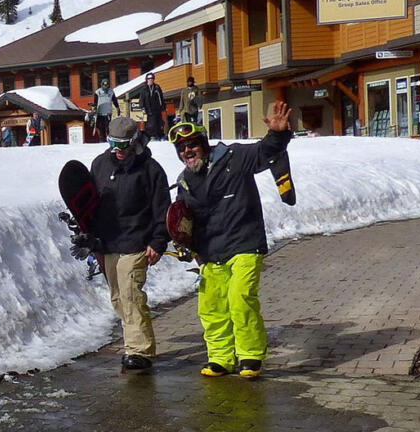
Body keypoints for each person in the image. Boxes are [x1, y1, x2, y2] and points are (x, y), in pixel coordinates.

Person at [170, 100, 293, 380]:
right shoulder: (185, 181)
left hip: (244, 244)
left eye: (191, 144)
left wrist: (278, 134)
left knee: (239, 298)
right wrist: (184, 242)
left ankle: (250, 355)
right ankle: (221, 358)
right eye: (181, 149)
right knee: (211, 306)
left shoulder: (234, 158)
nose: (187, 151)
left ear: (203, 142)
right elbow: (183, 221)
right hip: (210, 252)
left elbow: (266, 152)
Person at [87, 115, 170, 373]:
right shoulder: (100, 165)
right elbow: (89, 205)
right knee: (118, 299)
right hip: (109, 244)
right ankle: (134, 342)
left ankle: (139, 351)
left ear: (135, 142)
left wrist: (158, 241)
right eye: (113, 144)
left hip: (136, 242)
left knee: (131, 296)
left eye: (124, 145)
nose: (118, 151)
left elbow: (162, 209)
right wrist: (88, 235)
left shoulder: (150, 170)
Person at [141, 73, 167, 140]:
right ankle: (151, 136)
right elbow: (141, 99)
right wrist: (142, 107)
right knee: (151, 124)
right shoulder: (144, 89)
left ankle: (159, 135)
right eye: (149, 79)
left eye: (152, 79)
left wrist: (163, 106)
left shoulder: (157, 87)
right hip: (149, 109)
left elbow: (161, 98)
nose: (150, 80)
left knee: (159, 122)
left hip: (157, 109)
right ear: (147, 80)